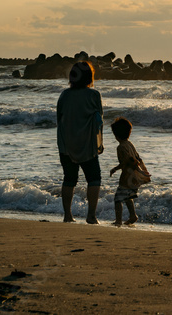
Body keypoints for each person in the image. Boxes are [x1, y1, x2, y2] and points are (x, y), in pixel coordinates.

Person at [56, 61, 104, 224]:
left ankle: (67, 215)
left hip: (66, 144)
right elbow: (99, 121)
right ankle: (91, 216)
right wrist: (100, 143)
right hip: (87, 144)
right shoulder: (94, 95)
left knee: (69, 179)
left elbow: (59, 119)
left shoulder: (64, 95)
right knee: (94, 178)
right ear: (89, 77)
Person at [108, 117, 150, 226]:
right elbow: (135, 159)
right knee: (127, 196)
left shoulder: (121, 147)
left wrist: (116, 168)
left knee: (118, 199)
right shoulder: (129, 144)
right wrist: (141, 171)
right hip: (134, 177)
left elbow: (130, 161)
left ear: (116, 135)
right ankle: (133, 216)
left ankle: (118, 221)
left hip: (127, 177)